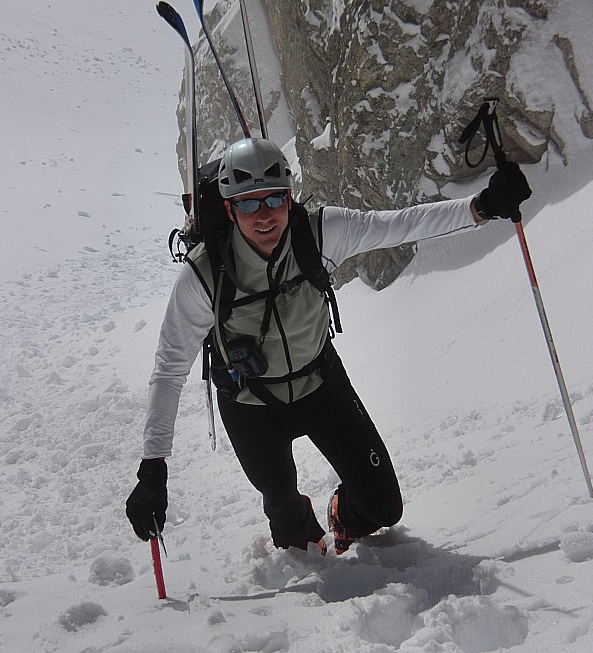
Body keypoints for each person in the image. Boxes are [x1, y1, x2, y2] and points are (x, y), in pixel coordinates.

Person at [126, 137, 531, 554]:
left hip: (322, 385)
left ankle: (344, 514)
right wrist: (153, 468)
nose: (264, 216)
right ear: (229, 209)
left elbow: (398, 225)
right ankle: (297, 530)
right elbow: (170, 368)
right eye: (248, 204)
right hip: (252, 407)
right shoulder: (202, 277)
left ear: (289, 198)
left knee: (384, 507)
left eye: (275, 200)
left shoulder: (319, 234)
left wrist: (481, 207)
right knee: (284, 514)